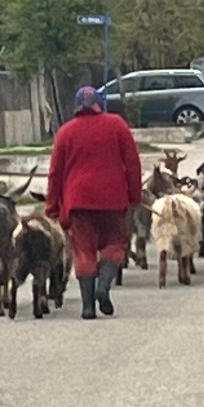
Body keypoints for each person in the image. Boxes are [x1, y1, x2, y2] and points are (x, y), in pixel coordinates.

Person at [45, 85, 143, 320]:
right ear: (99, 104)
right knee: (115, 244)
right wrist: (134, 196)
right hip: (112, 199)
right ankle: (103, 287)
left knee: (84, 251)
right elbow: (133, 164)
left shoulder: (65, 132)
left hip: (78, 201)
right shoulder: (117, 125)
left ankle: (88, 307)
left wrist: (52, 205)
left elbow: (55, 173)